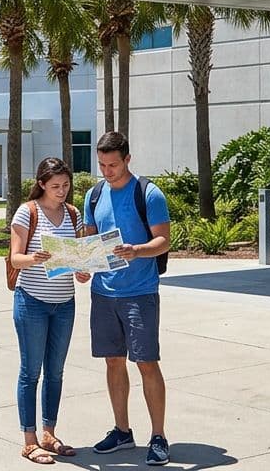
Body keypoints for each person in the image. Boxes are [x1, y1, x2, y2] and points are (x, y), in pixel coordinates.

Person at [82, 131, 172, 466]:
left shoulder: (148, 194)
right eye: (102, 164)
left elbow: (162, 241)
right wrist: (81, 266)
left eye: (113, 165)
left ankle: (159, 436)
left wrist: (137, 250)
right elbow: (90, 243)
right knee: (113, 362)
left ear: (128, 159)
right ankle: (122, 431)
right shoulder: (93, 195)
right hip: (103, 294)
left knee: (147, 363)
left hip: (139, 293)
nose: (107, 171)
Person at [9, 157, 89, 464]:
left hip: (64, 304)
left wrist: (82, 271)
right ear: (42, 184)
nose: (62, 191)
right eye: (55, 186)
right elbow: (15, 259)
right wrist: (34, 258)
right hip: (31, 302)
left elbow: (79, 258)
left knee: (55, 372)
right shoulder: (27, 212)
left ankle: (49, 433)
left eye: (66, 185)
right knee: (31, 372)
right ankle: (29, 441)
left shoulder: (73, 214)